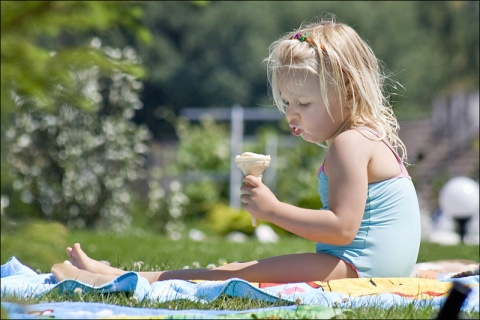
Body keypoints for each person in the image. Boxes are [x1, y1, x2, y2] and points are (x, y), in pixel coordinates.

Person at [52, 15, 421, 286]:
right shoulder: (366, 137)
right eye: (286, 103)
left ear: (349, 91)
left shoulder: (348, 144)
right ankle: (119, 274)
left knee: (238, 275)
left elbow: (342, 229)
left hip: (359, 269)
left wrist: (273, 210)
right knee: (244, 268)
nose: (292, 114)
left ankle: (116, 279)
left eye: (304, 104)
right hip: (372, 267)